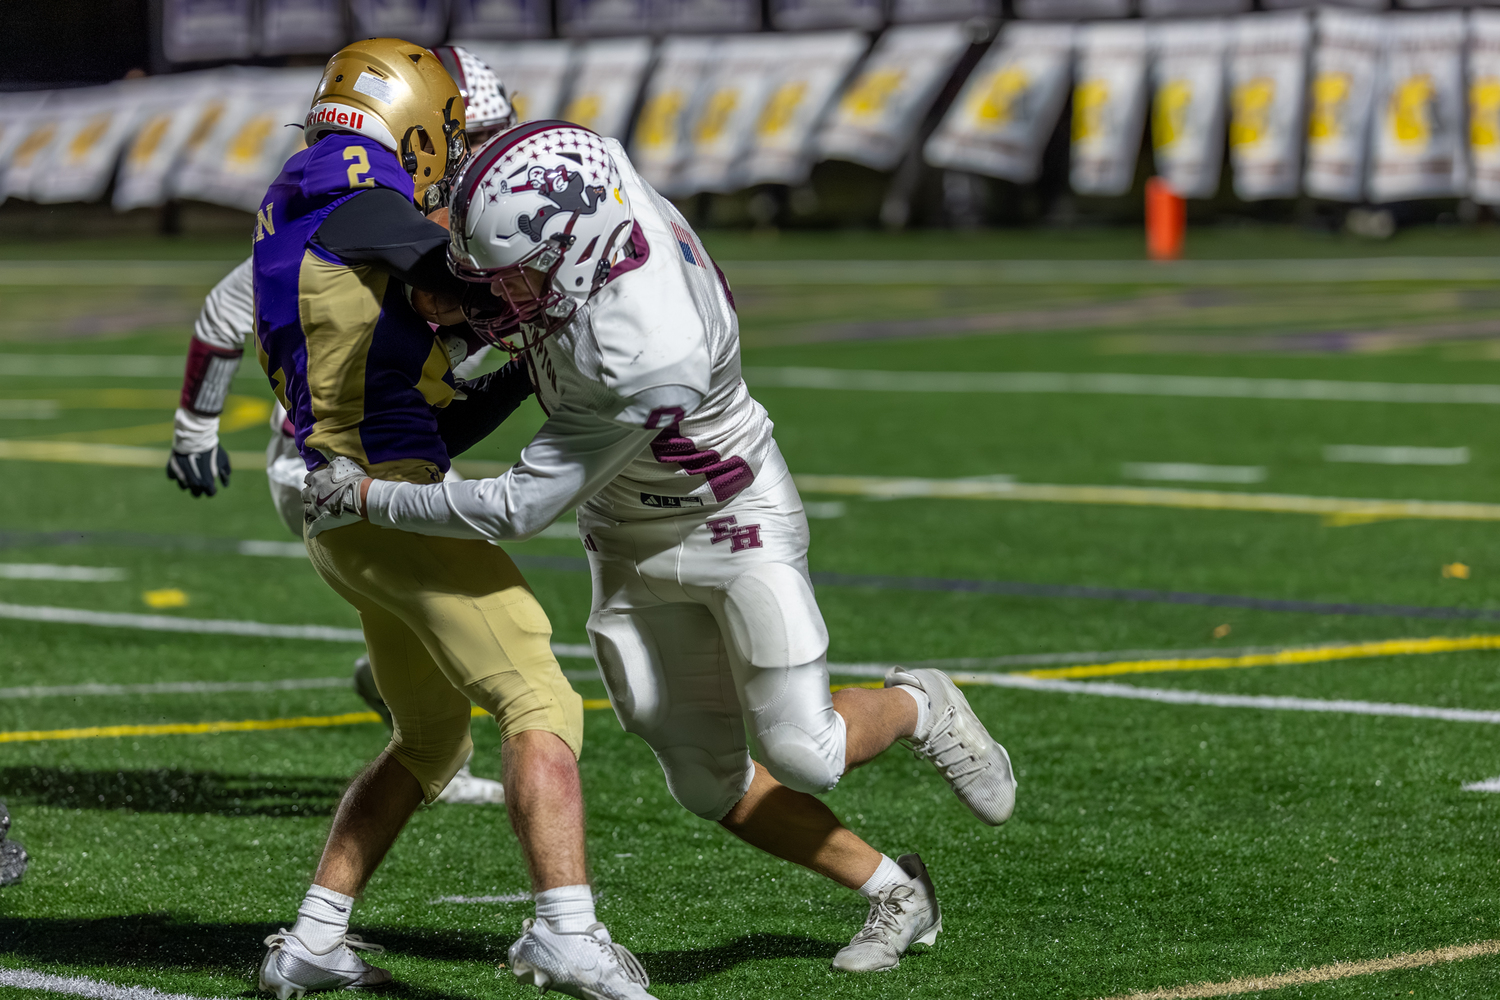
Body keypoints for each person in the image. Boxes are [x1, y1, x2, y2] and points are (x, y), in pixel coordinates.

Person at [304, 120, 1018, 974]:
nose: (506, 292)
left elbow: (514, 508)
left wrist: (370, 496)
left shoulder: (648, 344)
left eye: (520, 275)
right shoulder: (590, 197)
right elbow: (529, 175)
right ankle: (894, 890)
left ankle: (920, 703)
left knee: (803, 751)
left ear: (575, 253)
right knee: (702, 778)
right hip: (622, 526)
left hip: (730, 520)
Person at [251, 42, 654, 1000]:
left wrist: (518, 364)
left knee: (430, 743)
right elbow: (453, 262)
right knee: (542, 703)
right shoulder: (346, 184)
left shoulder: (315, 212)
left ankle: (312, 939)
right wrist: (560, 270)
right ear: (412, 117)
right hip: (380, 503)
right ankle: (568, 929)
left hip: (349, 512)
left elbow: (439, 410)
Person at [166, 46, 521, 807]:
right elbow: (227, 308)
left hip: (387, 441)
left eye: (490, 133)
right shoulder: (366, 207)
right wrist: (196, 424)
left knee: (437, 588)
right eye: (475, 134)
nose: (484, 155)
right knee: (501, 637)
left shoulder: (426, 207)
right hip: (332, 455)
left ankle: (414, 690)